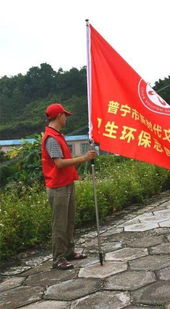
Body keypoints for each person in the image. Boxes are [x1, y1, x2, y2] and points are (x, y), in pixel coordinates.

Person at [41, 103, 96, 270]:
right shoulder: (51, 138)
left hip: (66, 183)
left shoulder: (58, 135)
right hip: (57, 187)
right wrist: (84, 158)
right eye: (65, 115)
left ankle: (69, 252)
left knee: (69, 220)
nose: (66, 118)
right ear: (59, 116)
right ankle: (58, 258)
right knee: (59, 224)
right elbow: (59, 163)